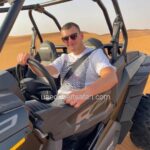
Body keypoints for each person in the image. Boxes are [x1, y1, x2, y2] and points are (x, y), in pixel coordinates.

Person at [17, 22, 118, 108]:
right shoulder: (64, 58)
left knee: (25, 117)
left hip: (76, 106)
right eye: (65, 39)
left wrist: (85, 92)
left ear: (81, 36)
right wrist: (30, 61)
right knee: (20, 109)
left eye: (73, 36)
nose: (70, 41)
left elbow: (111, 77)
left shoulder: (95, 55)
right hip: (58, 101)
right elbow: (45, 71)